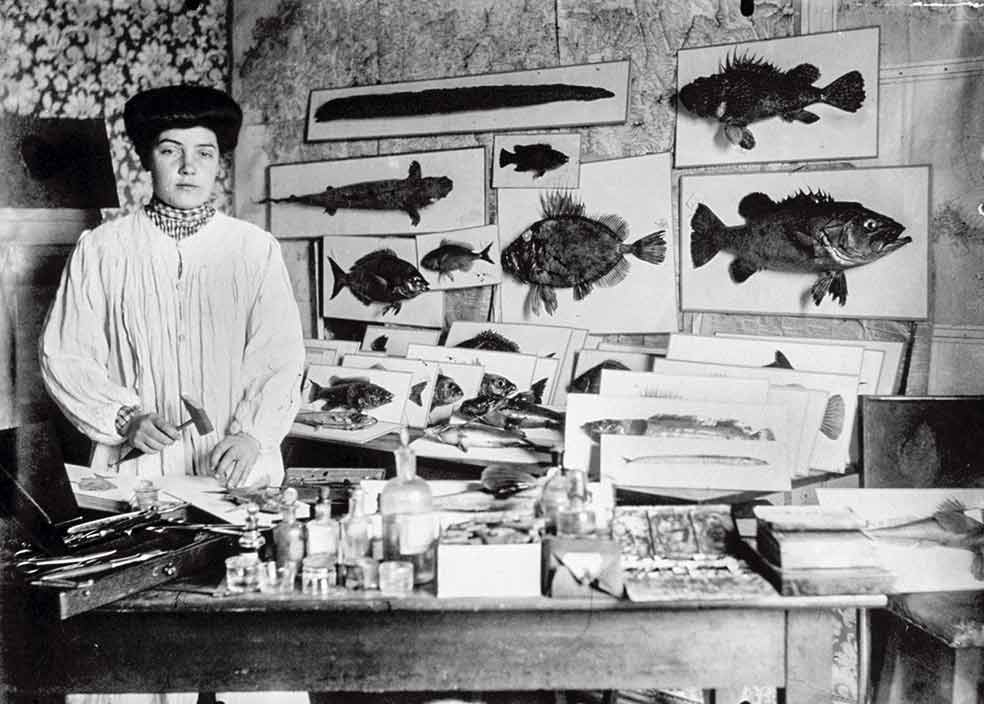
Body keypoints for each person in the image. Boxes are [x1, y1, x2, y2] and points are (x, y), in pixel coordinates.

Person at [41, 83, 305, 490]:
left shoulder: (254, 249)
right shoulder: (103, 248)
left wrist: (253, 435)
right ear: (148, 158)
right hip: (135, 474)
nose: (188, 166)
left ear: (219, 162)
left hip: (236, 472)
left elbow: (280, 357)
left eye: (204, 152)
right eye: (170, 150)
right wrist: (125, 418)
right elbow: (66, 355)